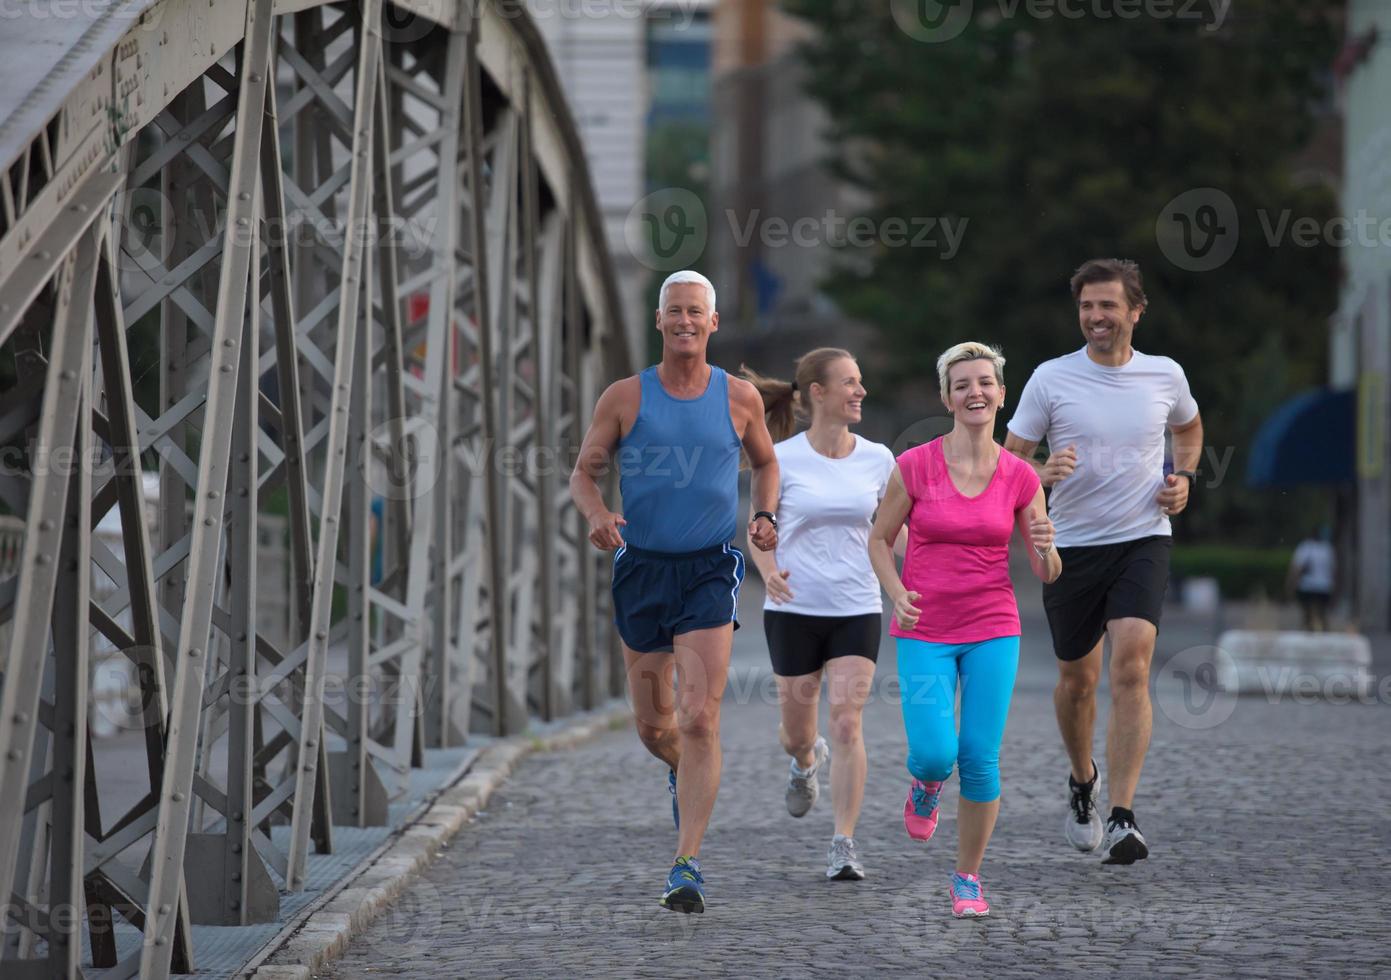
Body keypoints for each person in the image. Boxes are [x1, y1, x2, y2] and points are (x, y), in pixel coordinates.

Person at [568, 269, 779, 914]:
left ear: (713, 324)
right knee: (656, 727)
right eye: (675, 312)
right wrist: (599, 514)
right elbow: (584, 474)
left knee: (699, 716)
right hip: (642, 569)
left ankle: (686, 865)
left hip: (711, 568)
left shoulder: (740, 398)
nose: (686, 321)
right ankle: (680, 770)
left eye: (697, 312)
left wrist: (764, 515)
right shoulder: (624, 397)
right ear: (658, 321)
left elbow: (766, 462)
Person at [1003, 258, 1203, 866]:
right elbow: (1008, 462)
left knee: (1132, 666)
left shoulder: (1164, 375)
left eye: (1108, 305)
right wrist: (1041, 473)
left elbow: (1189, 430)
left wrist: (1185, 476)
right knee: (1077, 683)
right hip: (1071, 547)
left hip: (1144, 537)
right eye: (1087, 306)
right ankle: (1082, 779)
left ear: (1135, 311)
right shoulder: (1051, 379)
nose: (1096, 317)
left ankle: (1123, 815)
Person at [868, 341, 1061, 918]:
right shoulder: (916, 466)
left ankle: (968, 877)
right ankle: (926, 785)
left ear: (1002, 394)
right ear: (946, 398)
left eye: (985, 382)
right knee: (933, 753)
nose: (974, 392)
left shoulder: (1023, 478)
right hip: (925, 628)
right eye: (962, 384)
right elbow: (879, 539)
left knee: (979, 756)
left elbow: (1046, 571)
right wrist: (897, 594)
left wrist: (1050, 550)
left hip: (993, 627)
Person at [741, 349, 896, 881]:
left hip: (856, 605)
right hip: (793, 609)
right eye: (850, 383)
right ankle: (806, 761)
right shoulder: (780, 458)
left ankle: (844, 843)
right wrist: (768, 569)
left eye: (861, 382)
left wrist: (902, 582)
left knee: (849, 722)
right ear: (817, 393)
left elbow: (895, 528)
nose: (861, 391)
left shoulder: (879, 459)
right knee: (796, 733)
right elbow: (757, 529)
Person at [1287, 527, 1336, 631]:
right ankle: (1324, 636)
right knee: (1322, 615)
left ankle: (1308, 634)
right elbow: (1334, 571)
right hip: (1324, 587)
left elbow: (1296, 569)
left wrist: (1291, 585)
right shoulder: (1327, 548)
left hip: (1307, 587)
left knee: (1308, 616)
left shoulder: (1305, 547)